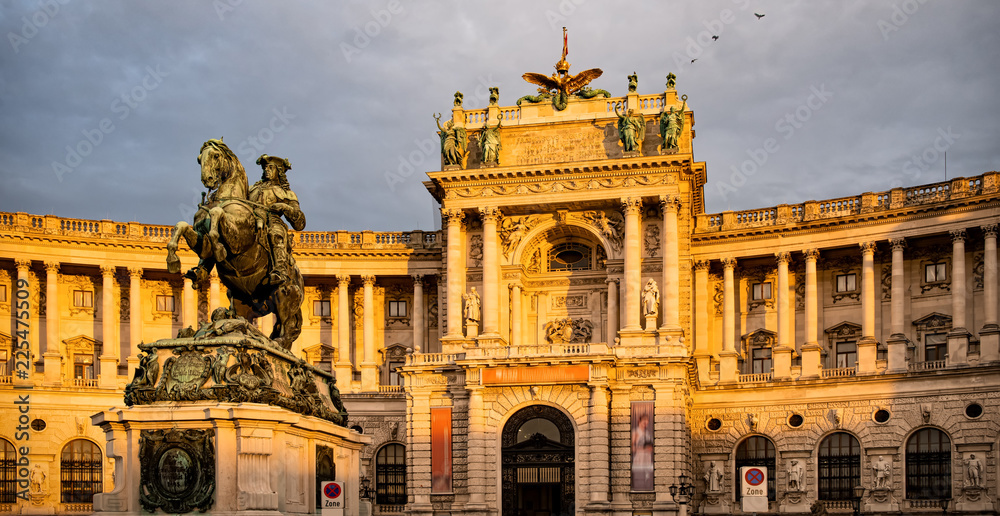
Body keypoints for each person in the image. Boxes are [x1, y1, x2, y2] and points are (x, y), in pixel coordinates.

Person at [250, 154, 306, 286]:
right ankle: (204, 267)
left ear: (279, 171)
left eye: (270, 168)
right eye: (265, 168)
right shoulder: (251, 189)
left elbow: (300, 223)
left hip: (272, 221)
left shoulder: (287, 193)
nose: (266, 170)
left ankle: (280, 270)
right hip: (250, 222)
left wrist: (283, 207)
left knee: (275, 234)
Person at [631, 412, 654, 490]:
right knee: (639, 483)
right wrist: (643, 449)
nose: (645, 424)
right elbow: (631, 448)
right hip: (639, 461)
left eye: (647, 422)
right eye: (644, 422)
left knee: (647, 482)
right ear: (639, 421)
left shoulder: (647, 434)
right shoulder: (636, 432)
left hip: (647, 461)